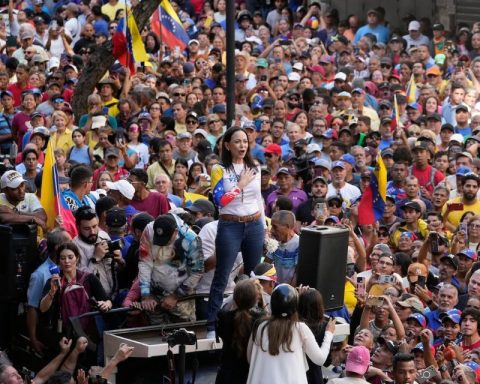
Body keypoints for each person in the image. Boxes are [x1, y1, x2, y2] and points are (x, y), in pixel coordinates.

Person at [207, 127, 265, 337]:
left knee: (253, 275)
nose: (242, 145)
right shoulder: (219, 169)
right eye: (237, 142)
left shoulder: (255, 166)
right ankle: (212, 325)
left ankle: (255, 320)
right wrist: (240, 185)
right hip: (230, 224)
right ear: (227, 145)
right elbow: (220, 200)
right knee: (222, 276)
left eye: (245, 141)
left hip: (254, 223)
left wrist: (264, 227)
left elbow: (259, 198)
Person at [246, 284, 335, 384]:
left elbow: (250, 357)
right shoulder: (300, 328)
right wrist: (329, 333)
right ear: (294, 307)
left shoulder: (260, 326)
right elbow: (320, 359)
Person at [39, 242, 111, 341]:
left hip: (87, 331)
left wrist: (105, 304)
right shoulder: (54, 281)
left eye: (70, 257)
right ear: (58, 261)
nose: (67, 261)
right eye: (63, 258)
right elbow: (42, 309)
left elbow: (107, 300)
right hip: (62, 333)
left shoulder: (89, 278)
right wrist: (52, 292)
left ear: (77, 258)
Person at [139, 213, 204, 323]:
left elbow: (197, 271)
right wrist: (146, 294)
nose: (163, 244)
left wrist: (175, 296)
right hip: (154, 294)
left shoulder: (191, 239)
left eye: (166, 240)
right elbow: (144, 262)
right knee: (154, 333)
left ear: (175, 232)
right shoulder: (149, 229)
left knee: (184, 331)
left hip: (182, 297)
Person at [216, 280, 265, 384]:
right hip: (249, 374)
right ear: (256, 298)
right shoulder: (260, 319)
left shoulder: (223, 317)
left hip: (227, 374)